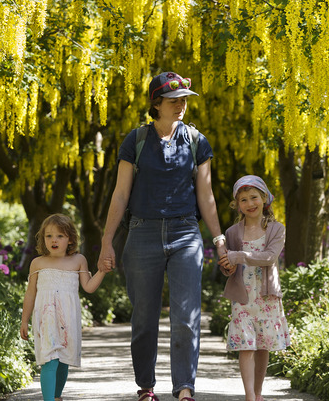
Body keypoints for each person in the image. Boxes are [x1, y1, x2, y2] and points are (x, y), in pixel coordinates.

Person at [98, 71, 228, 401]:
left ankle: (185, 389)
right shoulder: (136, 140)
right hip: (143, 233)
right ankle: (146, 387)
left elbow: (207, 195)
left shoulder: (197, 141)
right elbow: (120, 194)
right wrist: (106, 241)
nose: (182, 104)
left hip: (186, 232)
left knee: (186, 316)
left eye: (184, 99)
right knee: (144, 319)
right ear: (156, 104)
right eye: (174, 100)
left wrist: (220, 240)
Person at [21, 213, 110, 401]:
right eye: (49, 236)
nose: (54, 240)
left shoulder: (78, 260)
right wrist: (24, 320)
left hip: (68, 318)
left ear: (70, 239)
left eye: (60, 236)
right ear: (43, 238)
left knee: (64, 362)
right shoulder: (37, 263)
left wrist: (101, 271)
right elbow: (30, 294)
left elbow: (88, 287)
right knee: (49, 360)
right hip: (46, 319)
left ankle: (56, 396)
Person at [218, 175, 291, 401]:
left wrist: (235, 256)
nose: (250, 204)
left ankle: (258, 393)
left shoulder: (276, 229)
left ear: (264, 198)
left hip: (266, 296)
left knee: (262, 346)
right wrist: (227, 267)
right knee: (246, 345)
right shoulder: (231, 233)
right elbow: (227, 265)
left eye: (254, 198)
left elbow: (269, 257)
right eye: (243, 200)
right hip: (243, 296)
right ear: (237, 204)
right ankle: (250, 396)